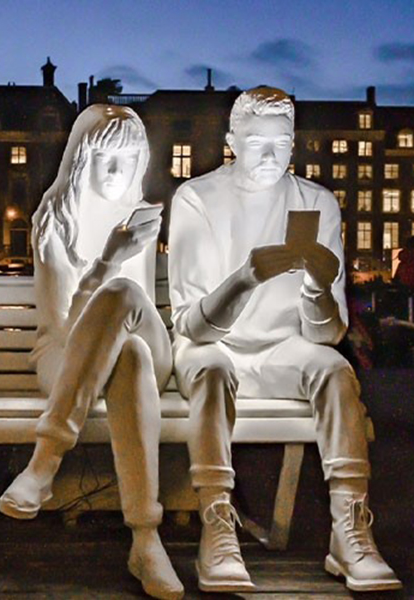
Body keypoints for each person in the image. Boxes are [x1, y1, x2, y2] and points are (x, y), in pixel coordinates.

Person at [168, 87, 402, 593]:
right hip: (214, 348)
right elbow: (192, 326)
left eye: (281, 142)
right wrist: (245, 278)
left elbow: (328, 333)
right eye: (256, 141)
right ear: (232, 141)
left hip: (281, 349)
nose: (270, 154)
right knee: (210, 368)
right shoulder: (197, 198)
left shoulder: (315, 203)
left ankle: (350, 530)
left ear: (294, 143)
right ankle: (217, 522)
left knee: (336, 371)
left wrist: (319, 287)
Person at [0, 105, 183, 600]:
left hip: (141, 338)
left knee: (123, 304)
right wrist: (107, 262)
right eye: (104, 158)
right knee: (130, 362)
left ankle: (44, 463)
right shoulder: (54, 219)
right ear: (80, 158)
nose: (117, 172)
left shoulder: (136, 220)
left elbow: (129, 312)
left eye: (128, 159)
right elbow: (63, 327)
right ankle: (146, 539)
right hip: (65, 355)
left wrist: (113, 263)